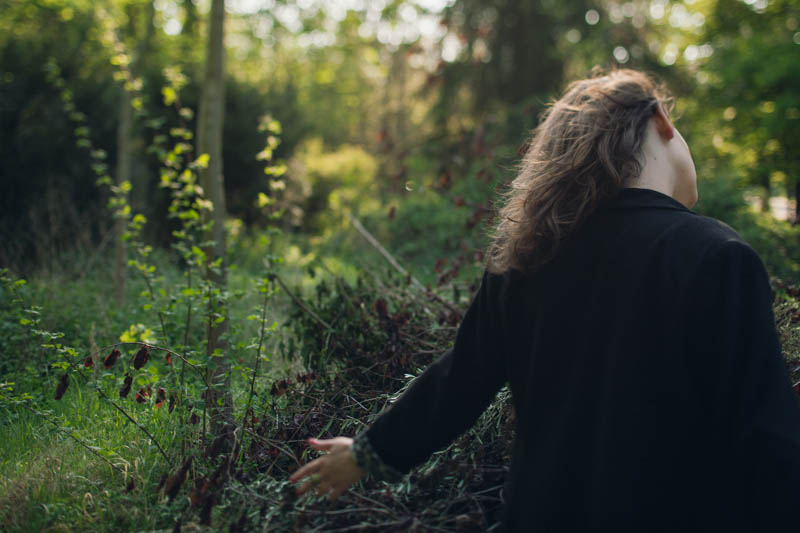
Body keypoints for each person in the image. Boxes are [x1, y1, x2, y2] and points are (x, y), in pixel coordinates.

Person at [288, 68, 800, 531]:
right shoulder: (717, 256)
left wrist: (367, 454)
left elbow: (459, 382)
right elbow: (767, 442)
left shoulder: (528, 262)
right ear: (661, 120)